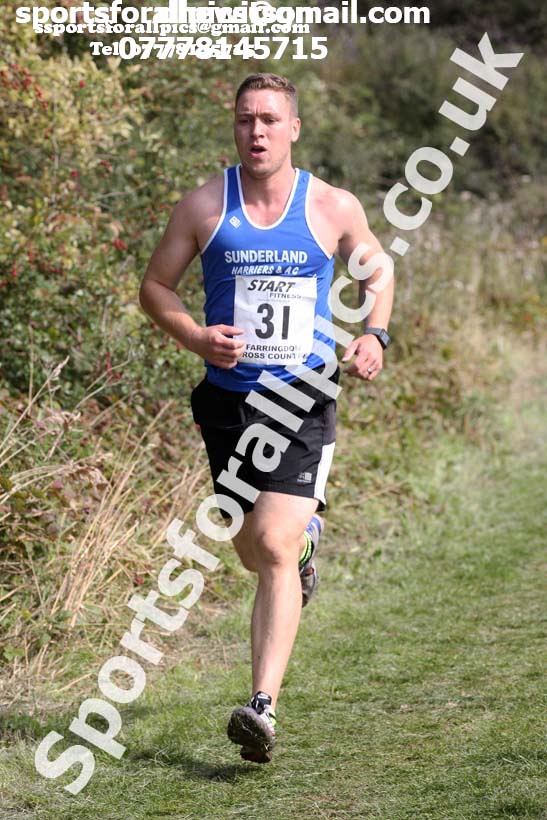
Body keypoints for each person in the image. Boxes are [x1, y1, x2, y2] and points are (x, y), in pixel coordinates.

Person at [139, 73, 394, 764]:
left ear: (294, 128)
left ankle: (261, 707)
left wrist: (374, 334)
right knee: (252, 550)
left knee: (272, 546)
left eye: (270, 119)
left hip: (302, 399)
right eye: (246, 119)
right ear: (235, 127)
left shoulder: (331, 206)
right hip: (227, 405)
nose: (256, 131)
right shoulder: (204, 206)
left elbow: (377, 271)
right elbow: (155, 286)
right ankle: (304, 548)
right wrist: (196, 337)